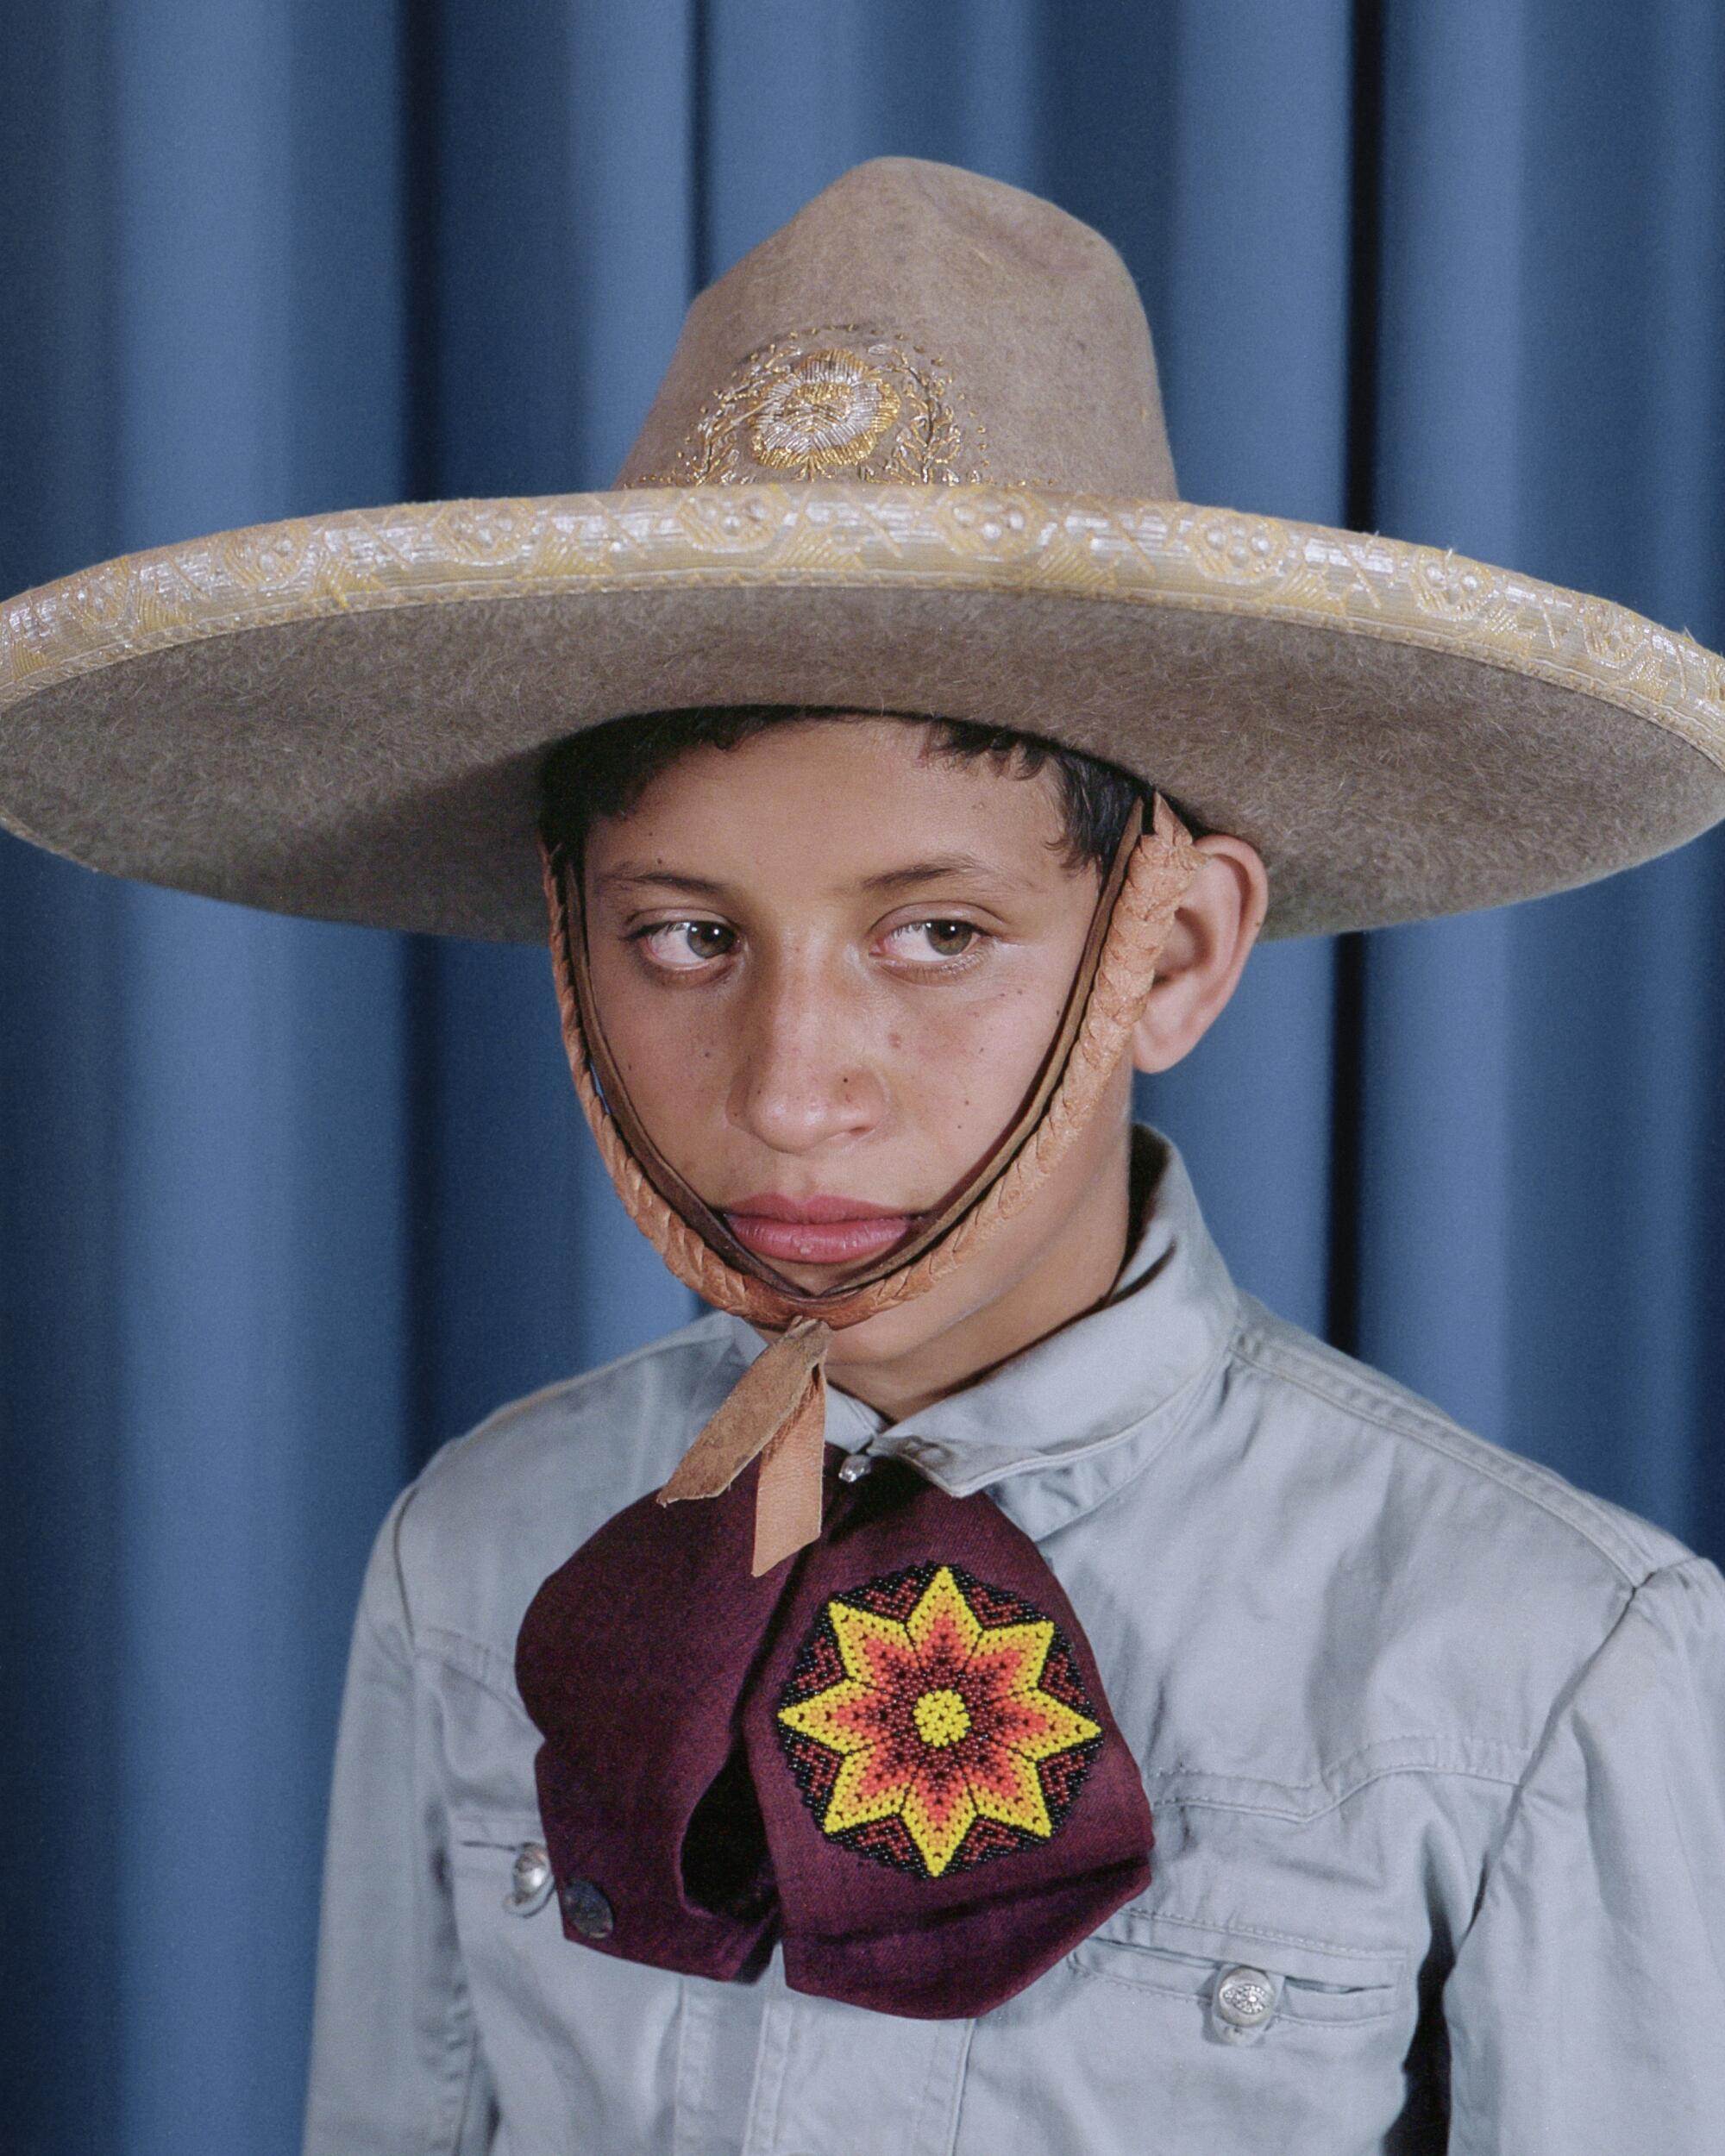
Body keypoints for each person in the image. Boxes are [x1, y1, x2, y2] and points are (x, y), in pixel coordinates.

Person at [3, 157, 1725, 2153]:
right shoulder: (476, 1551)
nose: (792, 1087)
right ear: (569, 943)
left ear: (1170, 950)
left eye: (938, 935)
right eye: (689, 936)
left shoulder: (1528, 1652)